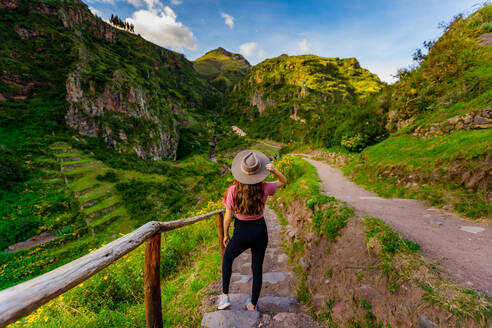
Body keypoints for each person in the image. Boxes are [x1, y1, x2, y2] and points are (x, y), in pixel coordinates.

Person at [218, 150, 287, 311]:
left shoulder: (232, 190)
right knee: (257, 268)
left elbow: (227, 217)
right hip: (260, 230)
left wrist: (226, 234)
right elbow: (283, 181)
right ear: (259, 172)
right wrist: (274, 170)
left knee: (227, 259)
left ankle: (225, 297)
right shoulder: (265, 187)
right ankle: (252, 304)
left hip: (242, 232)